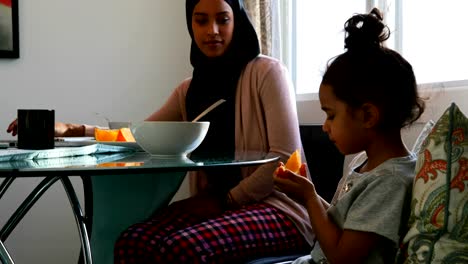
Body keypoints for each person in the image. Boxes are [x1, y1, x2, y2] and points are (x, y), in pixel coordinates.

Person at [6, 0, 314, 262]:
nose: (213, 31)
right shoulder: (189, 90)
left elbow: (284, 159)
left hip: (279, 211)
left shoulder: (267, 73)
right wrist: (73, 129)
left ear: (239, 21)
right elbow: (139, 136)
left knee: (180, 248)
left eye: (223, 19)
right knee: (131, 240)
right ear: (190, 24)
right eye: (201, 20)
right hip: (216, 205)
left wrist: (226, 200)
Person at [273, 8, 425, 264]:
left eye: (331, 115)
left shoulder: (390, 182)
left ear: (367, 116)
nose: (325, 126)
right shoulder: (364, 164)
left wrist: (310, 198)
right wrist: (306, 195)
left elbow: (342, 257)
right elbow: (342, 223)